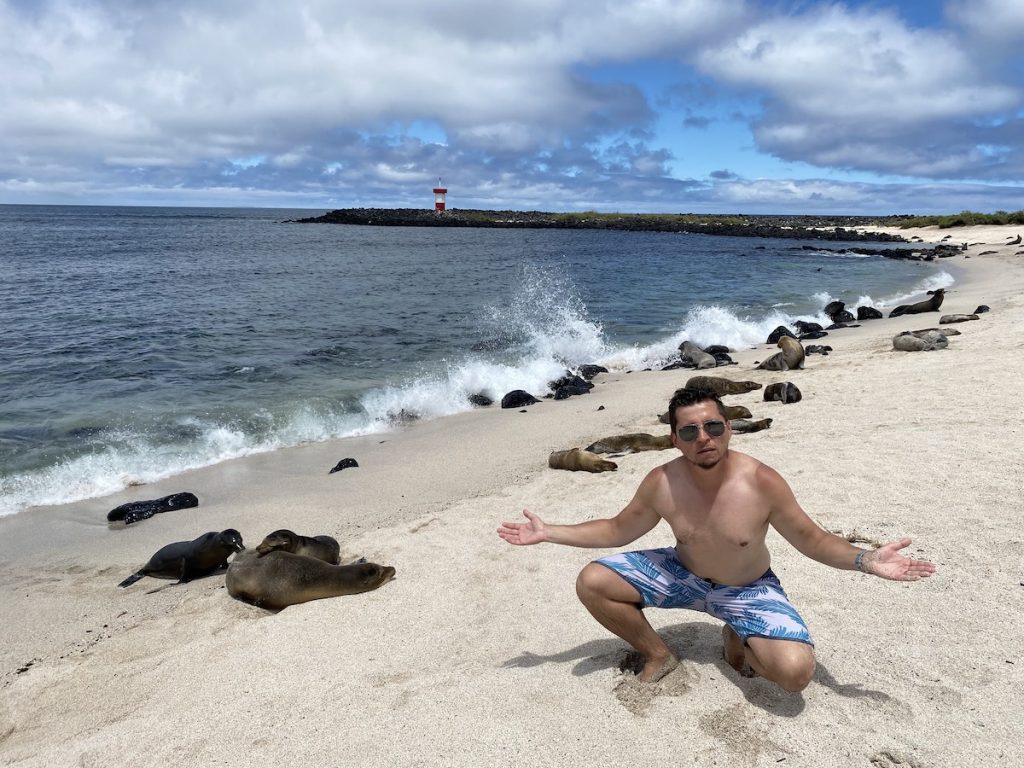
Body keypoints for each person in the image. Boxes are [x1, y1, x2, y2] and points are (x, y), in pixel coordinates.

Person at [497, 386, 935, 692]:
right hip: (681, 575)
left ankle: (737, 636)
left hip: (748, 588)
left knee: (795, 675)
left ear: (729, 427)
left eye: (712, 427)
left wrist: (864, 560)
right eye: (689, 431)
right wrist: (550, 531)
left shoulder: (761, 482)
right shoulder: (662, 482)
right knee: (592, 582)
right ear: (674, 439)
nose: (702, 438)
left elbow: (812, 539)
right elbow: (617, 529)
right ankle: (658, 653)